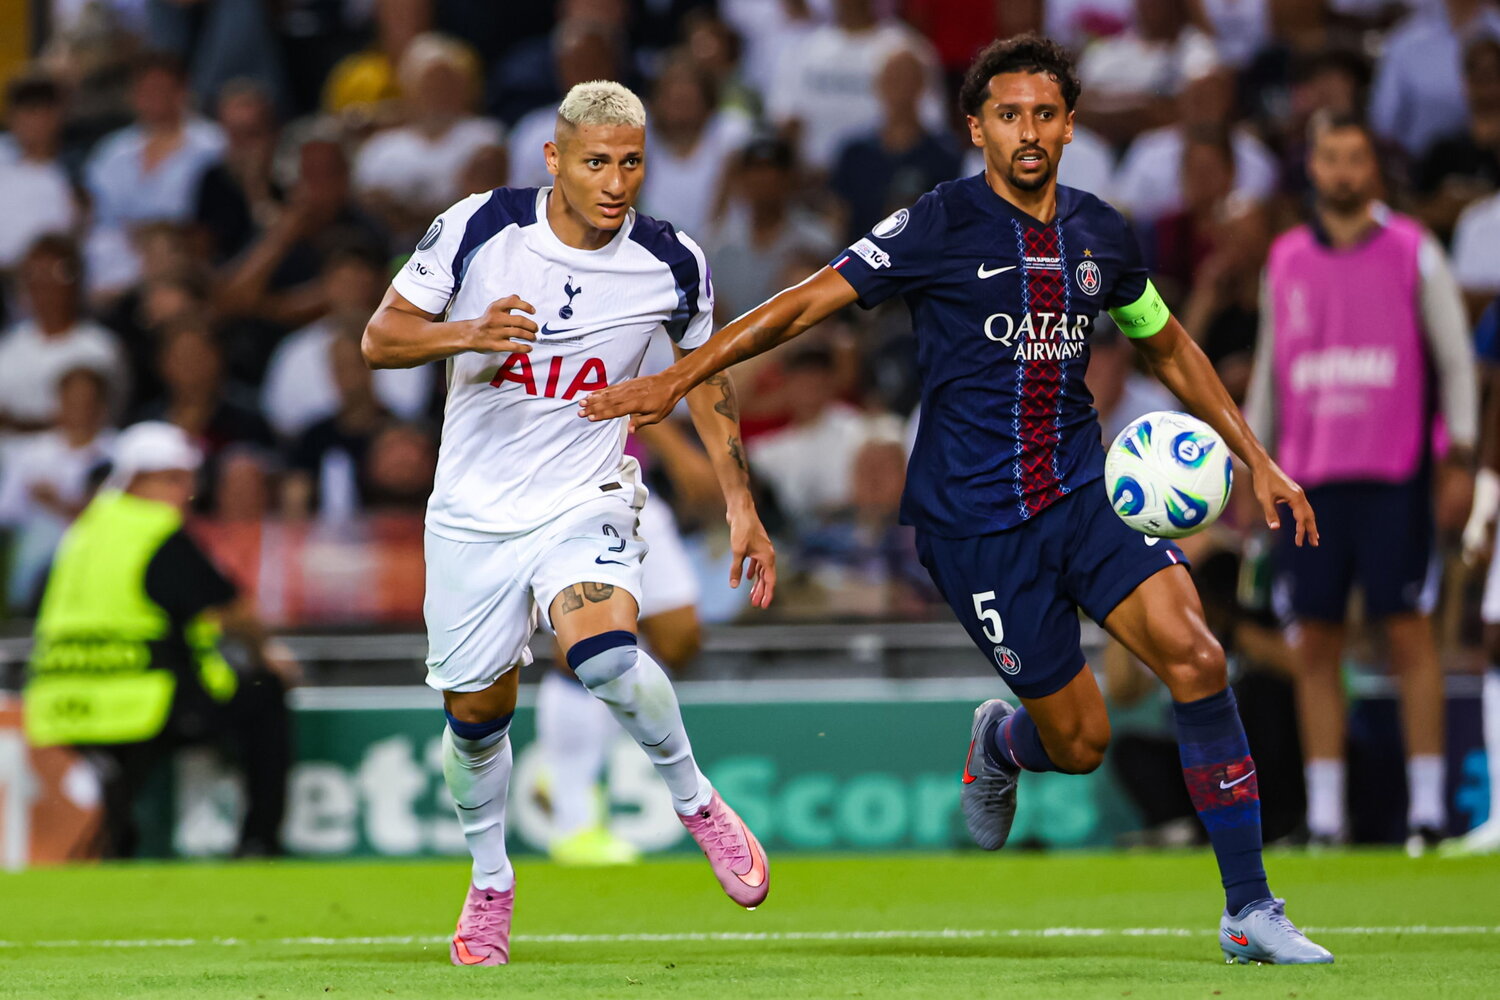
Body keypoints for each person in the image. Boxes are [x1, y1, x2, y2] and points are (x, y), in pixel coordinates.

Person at [582, 35, 1333, 965]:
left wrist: (1256, 458)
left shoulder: (1101, 232)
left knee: (1199, 657)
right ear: (978, 128)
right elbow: (804, 303)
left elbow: (1165, 342)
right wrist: (680, 374)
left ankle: (1250, 908)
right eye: (1009, 115)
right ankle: (1006, 742)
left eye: (1045, 114)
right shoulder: (938, 222)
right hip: (975, 528)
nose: (1029, 132)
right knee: (1082, 742)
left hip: (1085, 495)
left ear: (1070, 125)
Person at [361, 80, 777, 966]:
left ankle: (697, 801)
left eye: (631, 163)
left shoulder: (671, 260)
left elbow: (706, 373)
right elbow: (381, 338)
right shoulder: (480, 228)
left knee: (607, 656)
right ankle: (491, 881)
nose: (615, 182)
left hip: (585, 495)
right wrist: (468, 334)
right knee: (478, 714)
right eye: (596, 163)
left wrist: (740, 503)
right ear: (555, 158)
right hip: (473, 514)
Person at [1246, 112, 1477, 855]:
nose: (1343, 171)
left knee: (1407, 633)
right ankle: (1325, 818)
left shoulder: (1413, 249)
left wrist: (1461, 454)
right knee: (1314, 641)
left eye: (1355, 157)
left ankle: (1427, 811)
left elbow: (1456, 360)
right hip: (1307, 477)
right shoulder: (1285, 257)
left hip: (1393, 472)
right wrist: (1254, 458)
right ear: (1312, 168)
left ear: (1373, 168)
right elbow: (1269, 368)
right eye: (1331, 157)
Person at [22, 421, 297, 858]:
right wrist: (268, 653)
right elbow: (233, 611)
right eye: (174, 479)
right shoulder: (155, 530)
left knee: (126, 771)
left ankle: (116, 845)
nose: (186, 492)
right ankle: (259, 843)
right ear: (135, 479)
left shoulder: (81, 532)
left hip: (61, 703)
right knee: (264, 694)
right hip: (138, 701)